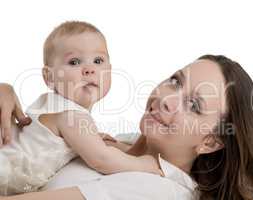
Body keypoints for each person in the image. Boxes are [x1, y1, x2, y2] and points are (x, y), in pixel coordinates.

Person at [0, 55, 253, 200]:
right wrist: (8, 94)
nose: (168, 99)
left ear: (210, 142)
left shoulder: (157, 191)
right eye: (175, 81)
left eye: (193, 106)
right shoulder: (125, 144)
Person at [0, 21, 162, 195]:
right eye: (74, 62)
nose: (89, 69)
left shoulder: (55, 107)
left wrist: (93, 138)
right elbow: (101, 159)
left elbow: (51, 140)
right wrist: (143, 164)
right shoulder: (72, 116)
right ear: (49, 77)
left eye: (98, 61)